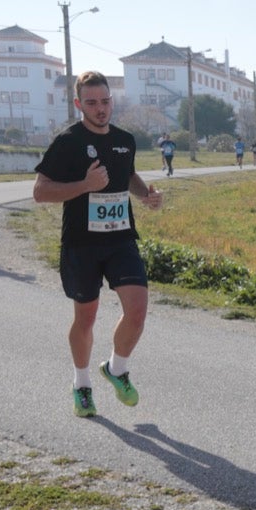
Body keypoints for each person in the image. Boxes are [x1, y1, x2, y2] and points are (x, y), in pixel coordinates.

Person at [32, 70, 163, 419]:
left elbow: (128, 175)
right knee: (85, 319)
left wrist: (146, 194)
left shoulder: (124, 139)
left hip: (121, 238)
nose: (101, 108)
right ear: (79, 104)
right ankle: (82, 384)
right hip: (81, 243)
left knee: (137, 311)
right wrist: (85, 185)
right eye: (92, 103)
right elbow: (41, 192)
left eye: (105, 101)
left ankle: (116, 369)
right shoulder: (67, 142)